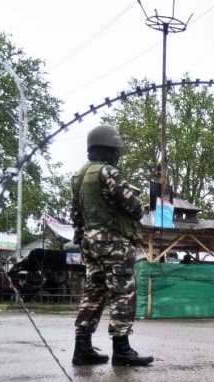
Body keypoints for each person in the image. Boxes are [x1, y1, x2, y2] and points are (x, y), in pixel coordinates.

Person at [71, 124, 153, 367]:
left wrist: (83, 236)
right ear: (110, 149)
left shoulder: (78, 177)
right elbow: (134, 208)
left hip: (89, 242)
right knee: (122, 293)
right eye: (117, 151)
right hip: (113, 243)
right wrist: (140, 203)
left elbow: (75, 214)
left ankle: (82, 349)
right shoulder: (108, 172)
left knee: (93, 294)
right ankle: (122, 350)